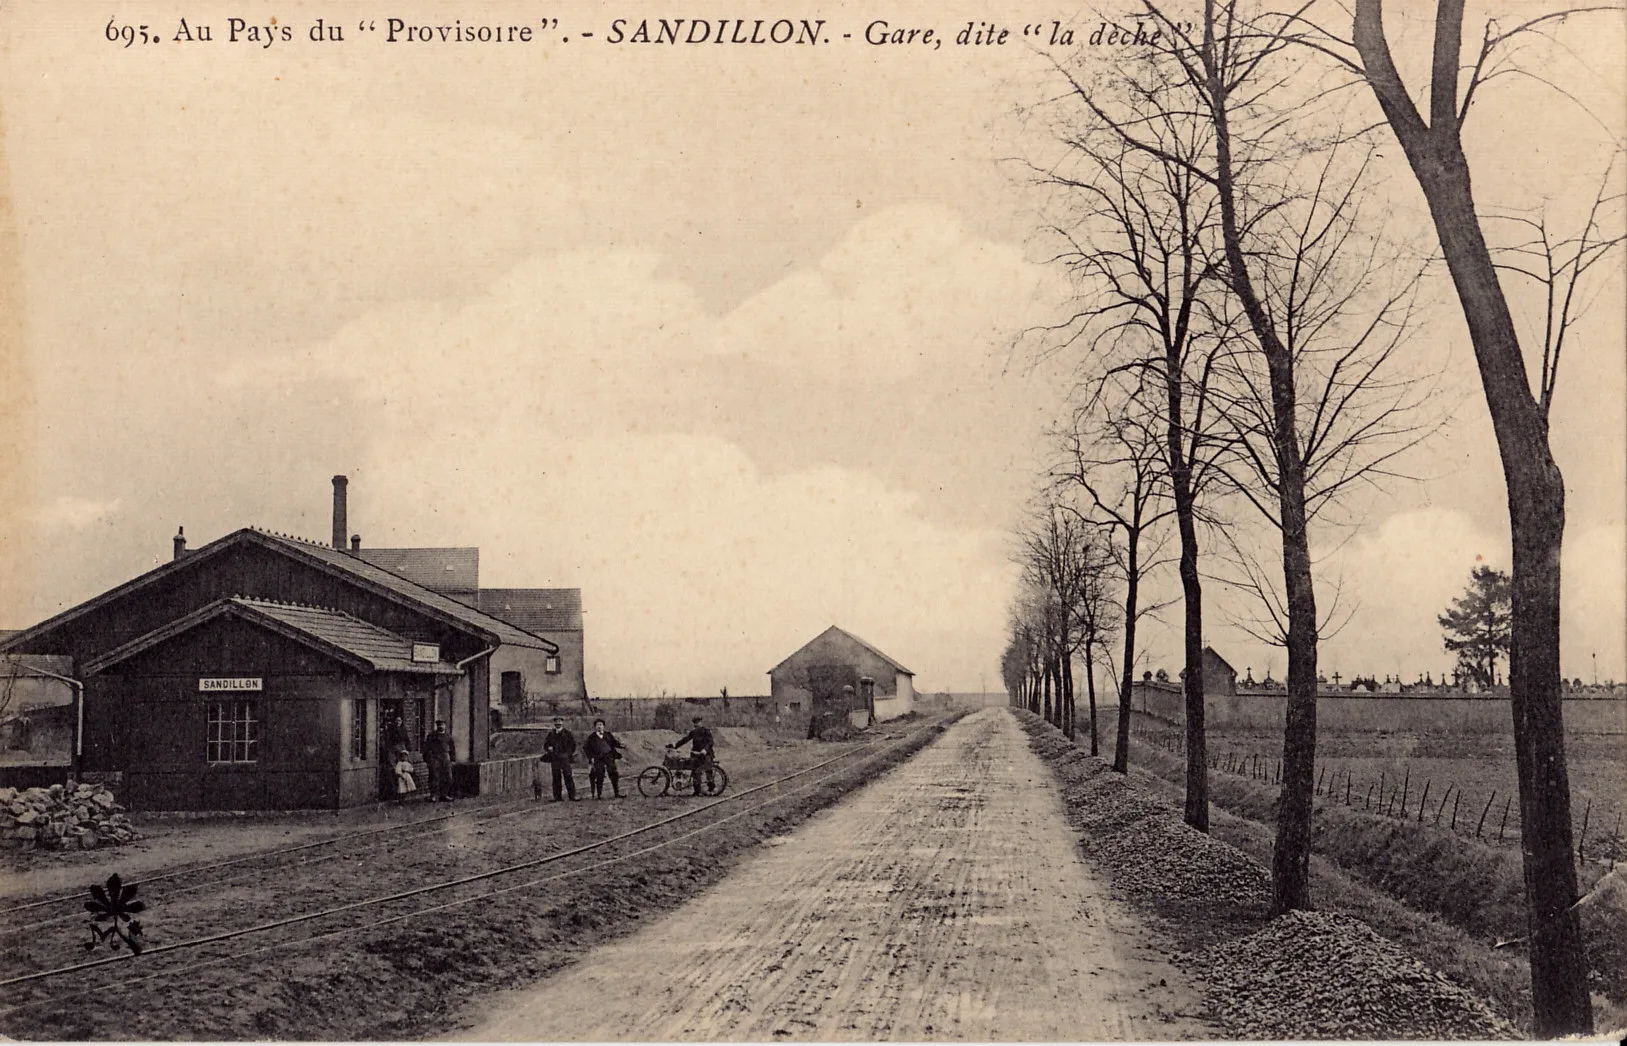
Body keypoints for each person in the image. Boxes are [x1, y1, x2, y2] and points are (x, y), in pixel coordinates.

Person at [668, 715, 716, 796]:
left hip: (706, 754)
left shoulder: (706, 731)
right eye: (695, 723)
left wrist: (705, 750)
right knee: (695, 773)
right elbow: (685, 740)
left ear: (701, 723)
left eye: (698, 723)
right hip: (695, 755)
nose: (697, 725)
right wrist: (675, 745)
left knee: (708, 771)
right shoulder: (693, 732)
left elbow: (710, 742)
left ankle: (711, 789)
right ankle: (697, 791)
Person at [581, 718, 624, 799]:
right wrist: (591, 758)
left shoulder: (608, 735)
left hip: (609, 757)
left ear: (603, 726)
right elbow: (586, 748)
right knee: (599, 775)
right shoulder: (591, 737)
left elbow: (614, 743)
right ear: (595, 727)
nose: (599, 727)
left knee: (614, 774)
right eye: (597, 725)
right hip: (598, 758)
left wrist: (621, 745)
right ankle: (599, 795)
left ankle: (617, 793)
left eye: (601, 725)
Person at [543, 716, 578, 801]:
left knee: (568, 776)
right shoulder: (551, 734)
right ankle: (557, 797)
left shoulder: (567, 733)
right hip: (555, 758)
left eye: (560, 721)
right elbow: (545, 745)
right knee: (556, 777)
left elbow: (573, 745)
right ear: (554, 723)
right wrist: (549, 748)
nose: (558, 723)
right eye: (556, 721)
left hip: (565, 758)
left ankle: (572, 796)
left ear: (562, 722)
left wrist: (567, 754)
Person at [423, 720, 455, 802]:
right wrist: (427, 760)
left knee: (448, 777)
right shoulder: (432, 736)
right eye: (439, 725)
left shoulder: (448, 736)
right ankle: (433, 795)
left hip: (445, 757)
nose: (441, 726)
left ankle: (444, 794)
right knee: (434, 777)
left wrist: (453, 759)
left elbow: (452, 749)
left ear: (445, 726)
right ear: (437, 726)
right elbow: (426, 748)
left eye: (442, 725)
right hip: (435, 757)